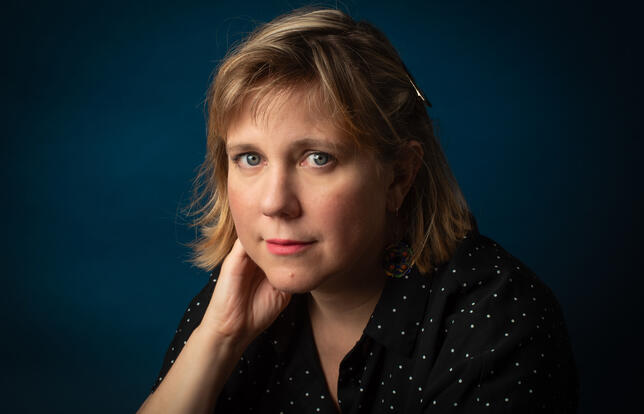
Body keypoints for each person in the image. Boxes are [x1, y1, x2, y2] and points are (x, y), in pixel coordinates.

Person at [137, 8, 578, 413]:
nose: (274, 204)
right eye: (250, 158)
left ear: (399, 175)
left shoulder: (498, 320)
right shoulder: (237, 298)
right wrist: (219, 338)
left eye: (318, 158)